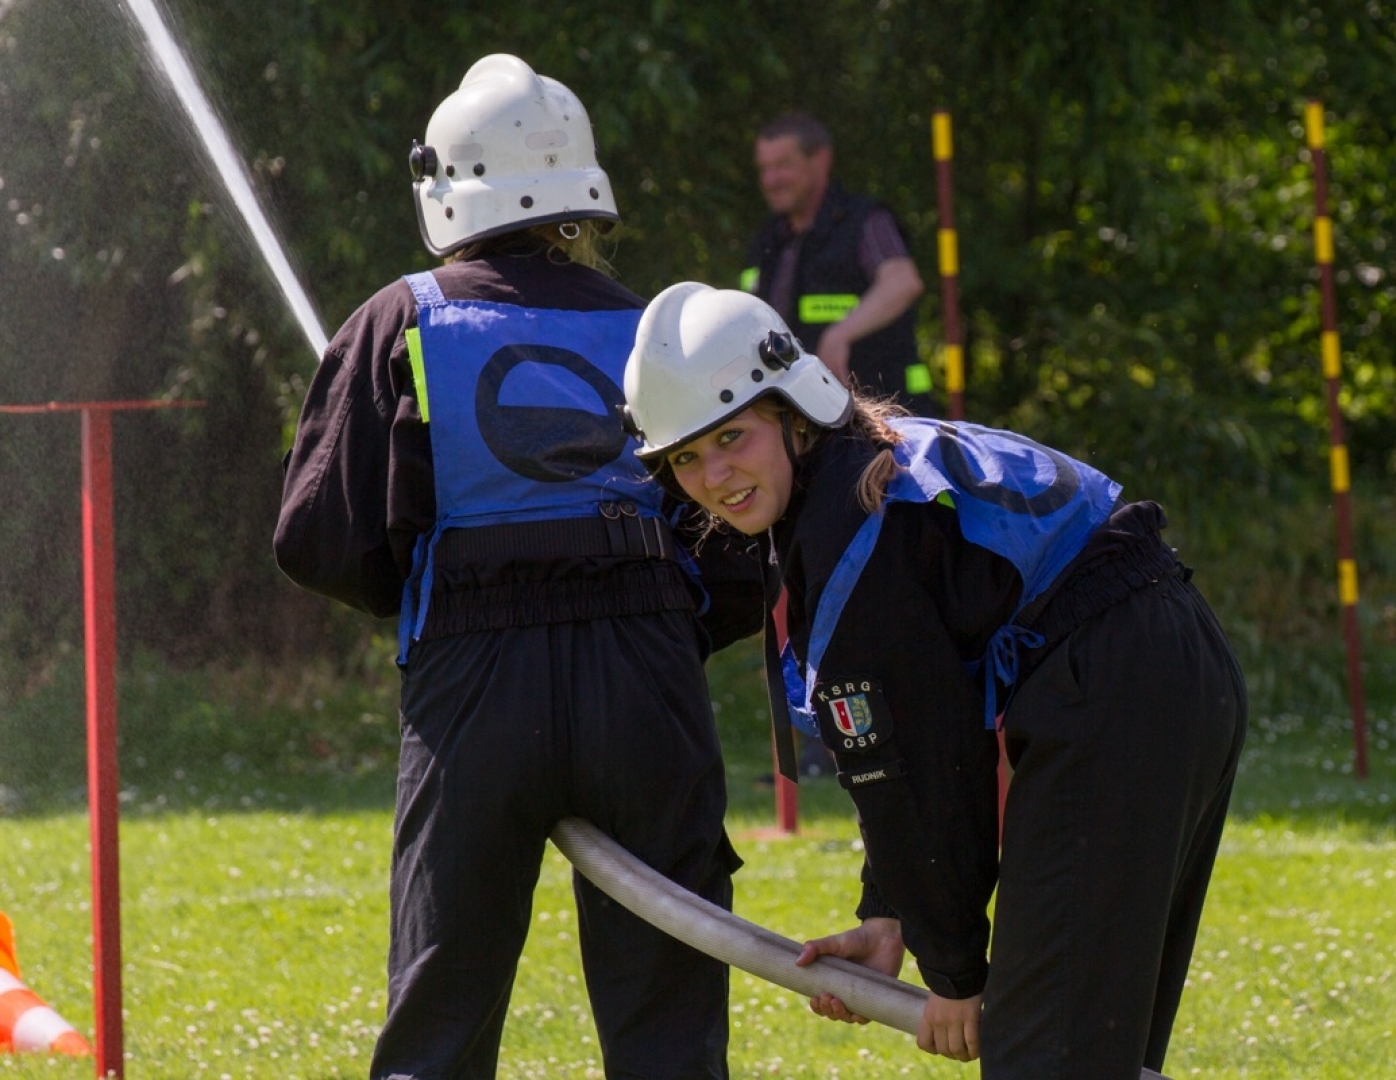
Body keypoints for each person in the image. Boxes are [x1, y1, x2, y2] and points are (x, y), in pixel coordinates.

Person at [620, 283, 1247, 1079]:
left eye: (732, 438)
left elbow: (917, 772)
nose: (713, 477)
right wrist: (887, 917)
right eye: (684, 458)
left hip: (1121, 688)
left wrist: (956, 974)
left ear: (790, 411)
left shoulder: (853, 530)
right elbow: (921, 725)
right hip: (1168, 663)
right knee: (1091, 1043)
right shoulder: (859, 468)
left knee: (1044, 1055)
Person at [274, 57, 756, 1080]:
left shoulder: (399, 318)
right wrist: (662, 623)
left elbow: (315, 537)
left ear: (442, 184)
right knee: (670, 1025)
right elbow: (743, 535)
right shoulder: (657, 330)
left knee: (440, 1023)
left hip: (472, 690)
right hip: (646, 686)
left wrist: (431, 600)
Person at [743, 112, 934, 415]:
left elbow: (902, 282)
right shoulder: (769, 239)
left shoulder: (864, 221)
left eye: (783, 166)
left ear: (820, 160)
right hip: (804, 416)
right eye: (764, 169)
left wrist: (839, 335)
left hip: (883, 416)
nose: (770, 180)